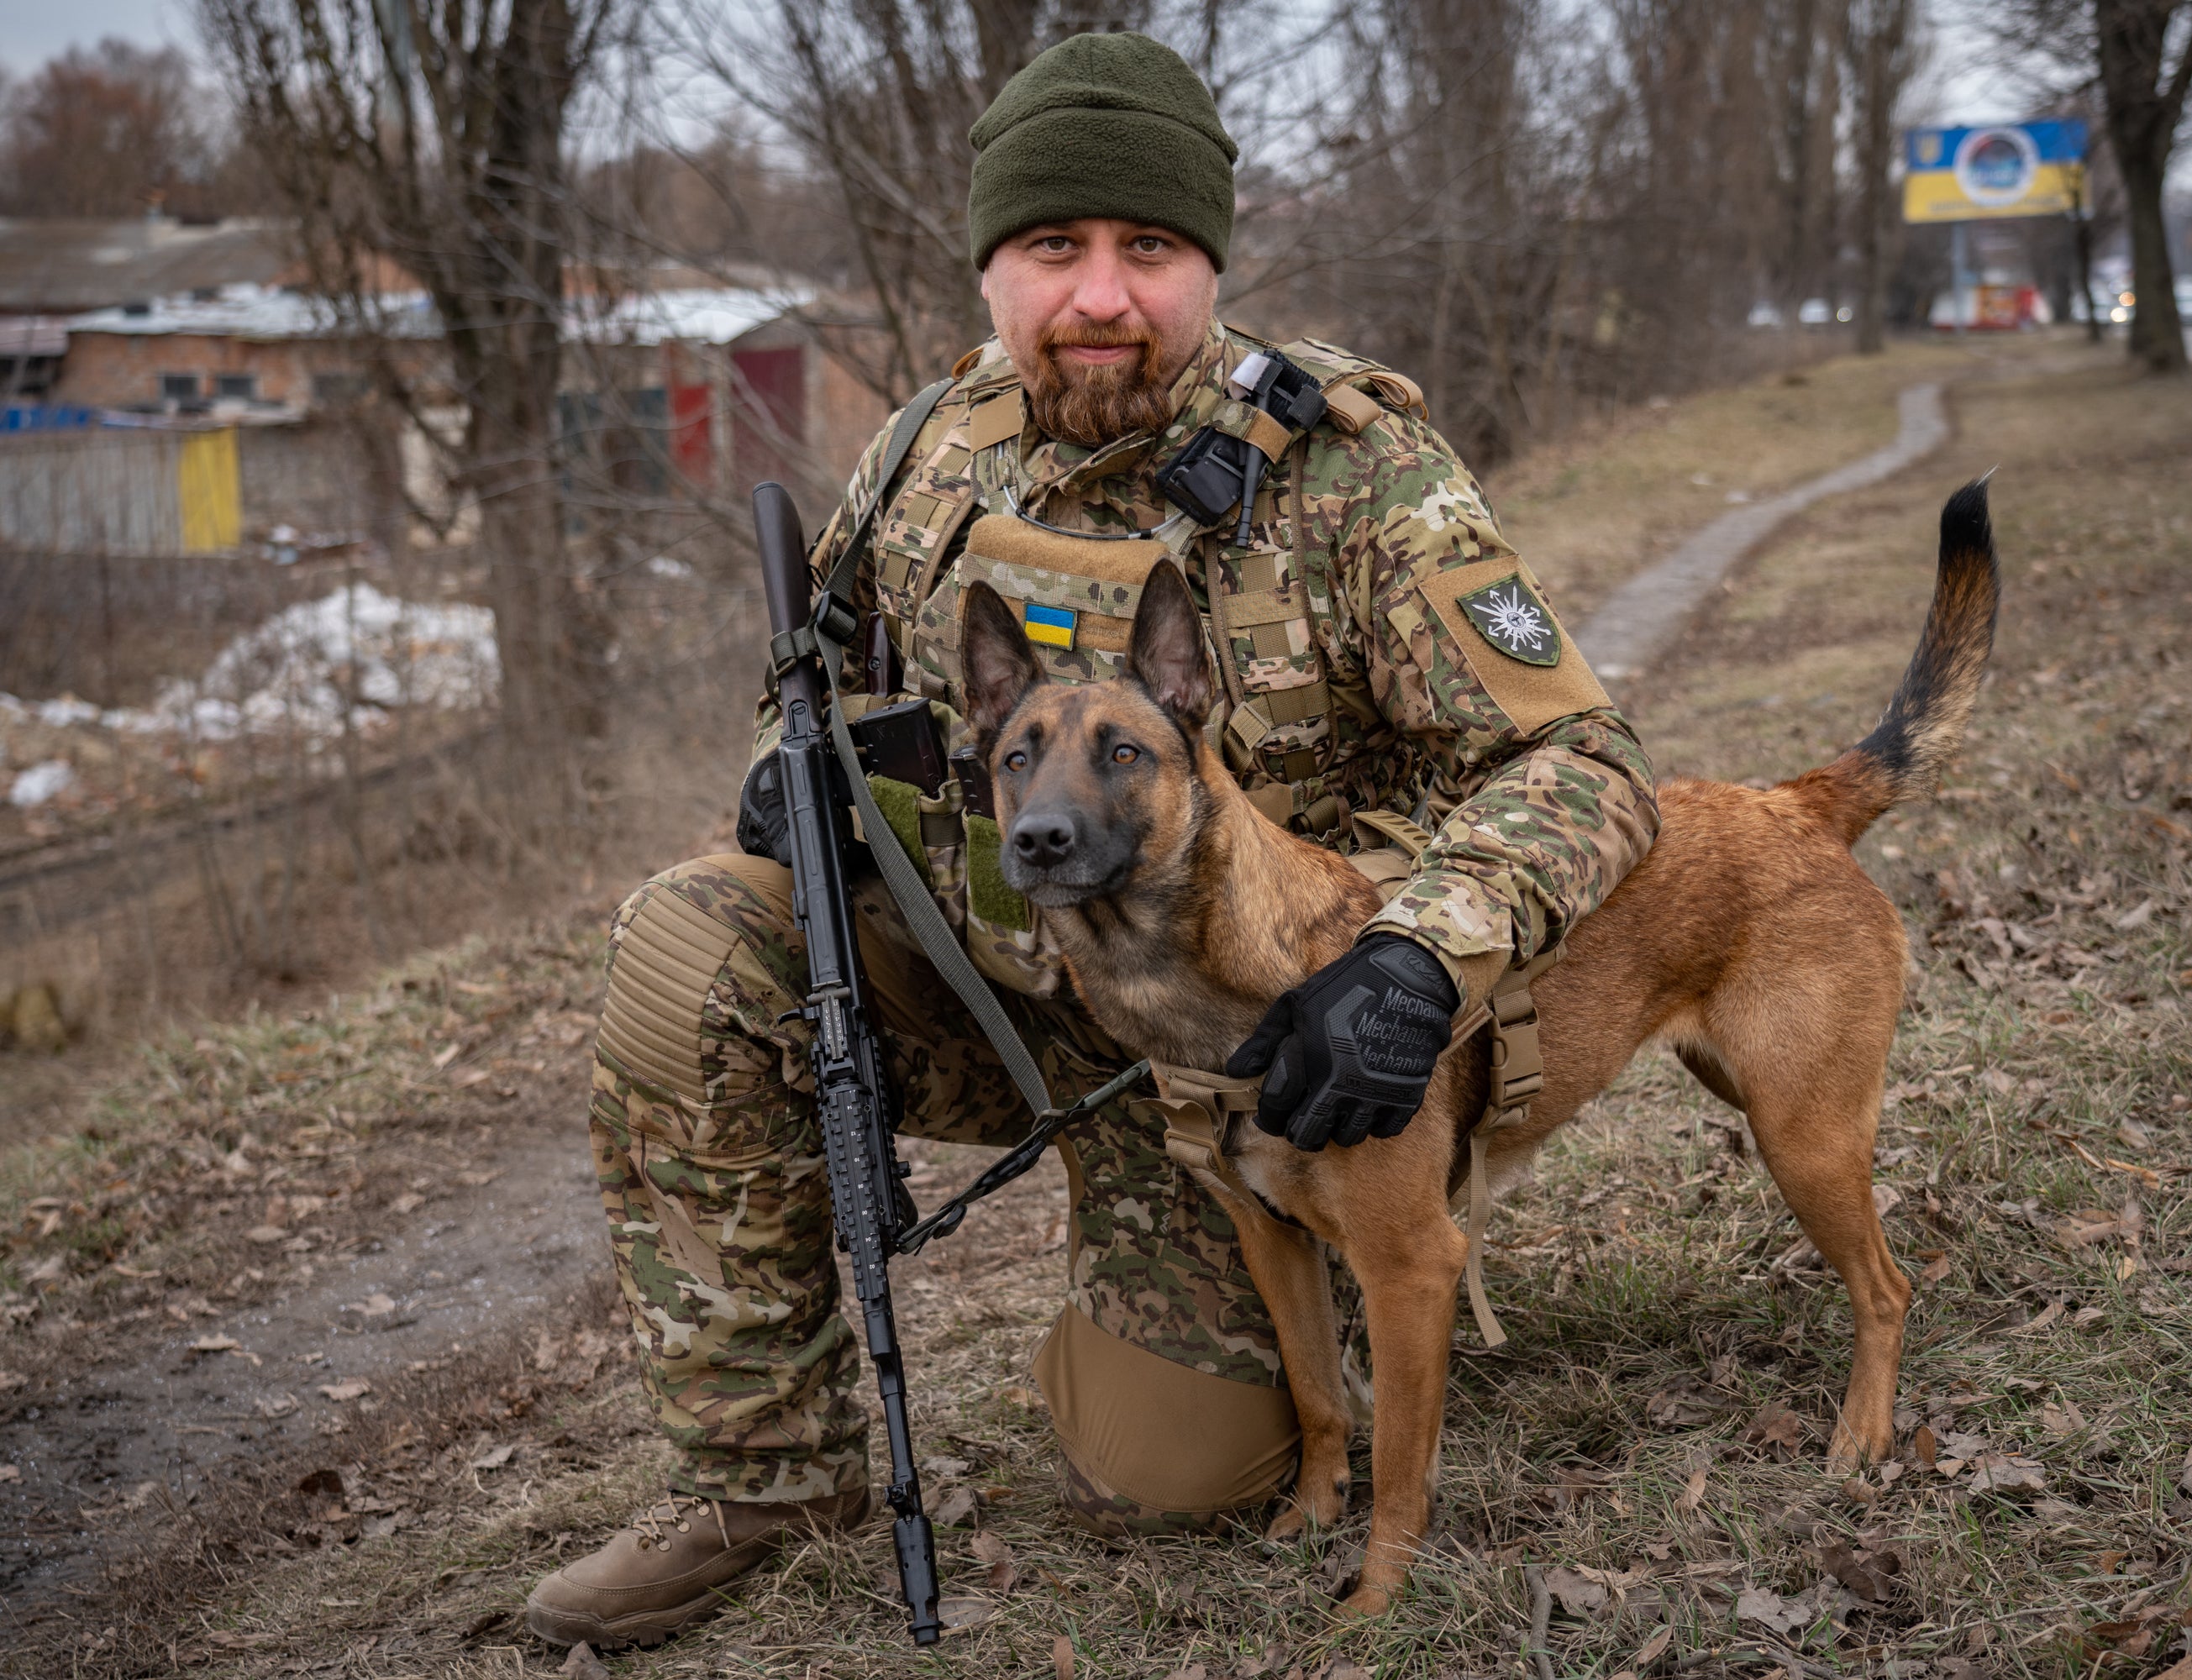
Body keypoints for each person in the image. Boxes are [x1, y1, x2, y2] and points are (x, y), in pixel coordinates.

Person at [524, 29, 1658, 1651]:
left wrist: (1424, 955)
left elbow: (1586, 755)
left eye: (1152, 250)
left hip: (1261, 1067)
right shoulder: (927, 456)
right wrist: (790, 774)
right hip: (1005, 1006)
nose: (1103, 295)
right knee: (691, 938)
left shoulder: (1352, 474)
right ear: (995, 269)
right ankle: (764, 1480)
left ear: (1211, 264)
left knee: (1168, 1482)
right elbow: (825, 688)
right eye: (1056, 249)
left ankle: (1225, 1296)